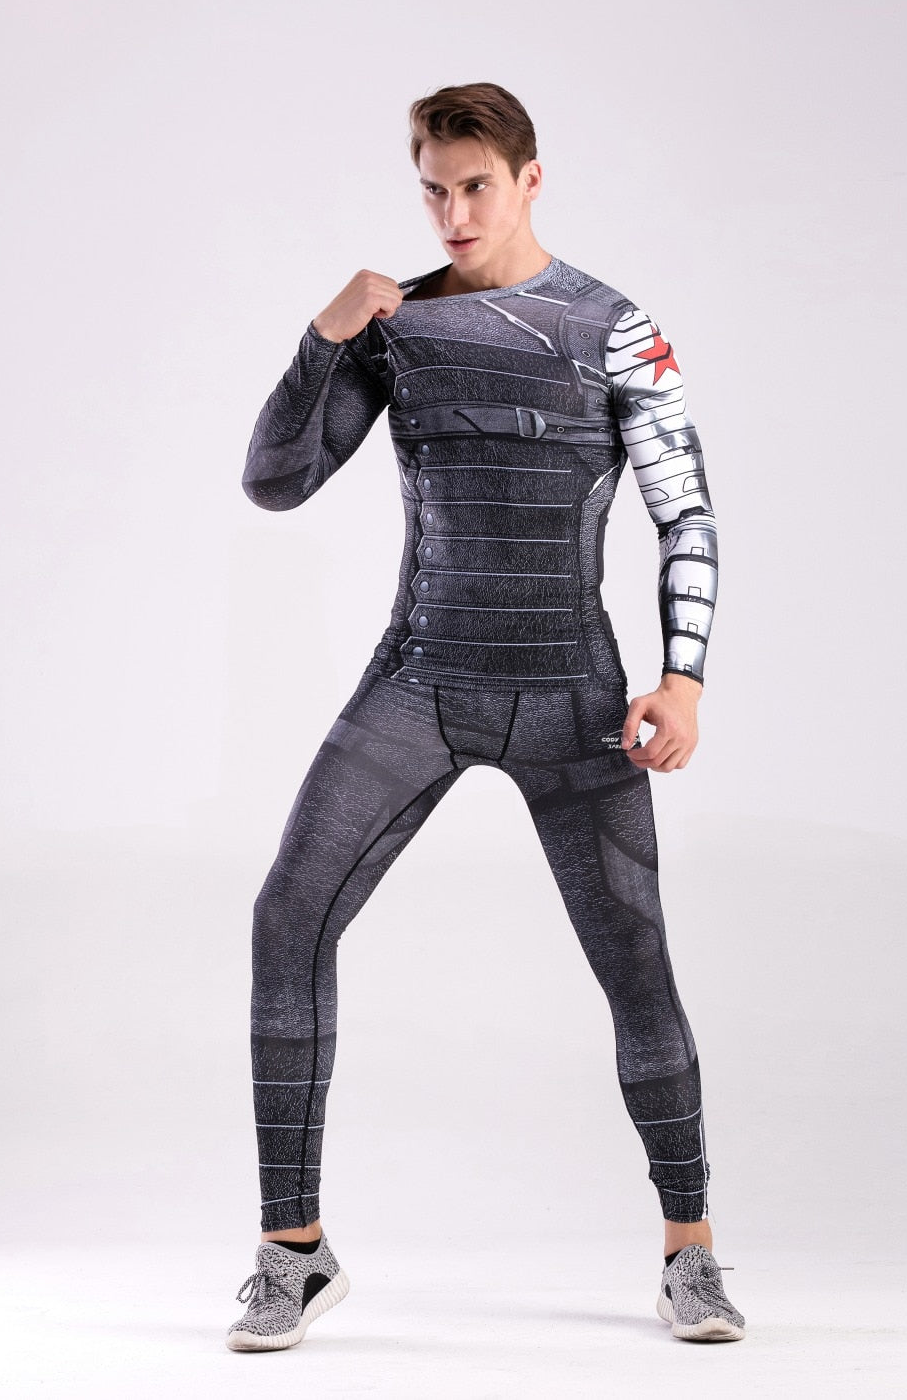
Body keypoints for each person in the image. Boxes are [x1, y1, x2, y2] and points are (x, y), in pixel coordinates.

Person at [225, 82, 745, 1351]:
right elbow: (274, 484)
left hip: (574, 693)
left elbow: (685, 510)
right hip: (420, 679)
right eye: (432, 190)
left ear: (528, 180)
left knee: (634, 962)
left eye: (474, 187)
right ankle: (293, 1251)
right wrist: (321, 338)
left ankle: (691, 1254)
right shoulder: (391, 329)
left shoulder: (615, 329)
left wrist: (682, 676)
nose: (453, 213)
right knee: (288, 916)